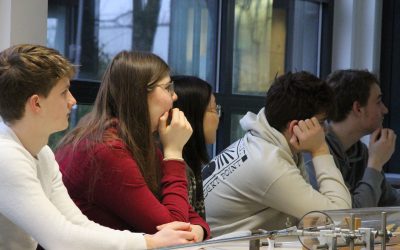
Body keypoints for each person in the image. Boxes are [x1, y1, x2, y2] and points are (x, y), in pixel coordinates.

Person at [0, 44, 198, 250]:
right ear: (36, 104)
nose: (72, 101)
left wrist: (152, 241)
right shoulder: (6, 156)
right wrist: (150, 242)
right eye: (64, 92)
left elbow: (78, 224)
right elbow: (60, 239)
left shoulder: (42, 152)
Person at [55, 51, 210, 241]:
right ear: (139, 93)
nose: (175, 96)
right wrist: (174, 152)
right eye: (168, 87)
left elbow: (187, 214)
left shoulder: (134, 140)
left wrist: (199, 230)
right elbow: (171, 228)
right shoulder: (105, 150)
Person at [202, 71, 351, 237]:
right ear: (296, 126)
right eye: (322, 123)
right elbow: (340, 217)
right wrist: (320, 150)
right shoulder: (267, 163)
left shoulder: (262, 143)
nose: (325, 130)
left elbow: (310, 220)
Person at [323, 69, 399, 207]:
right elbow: (352, 216)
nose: (385, 109)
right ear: (358, 108)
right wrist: (375, 162)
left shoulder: (359, 151)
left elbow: (390, 200)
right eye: (378, 102)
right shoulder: (316, 155)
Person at [172, 75, 220, 219]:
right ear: (193, 115)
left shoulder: (191, 164)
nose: (218, 117)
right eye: (213, 109)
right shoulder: (179, 168)